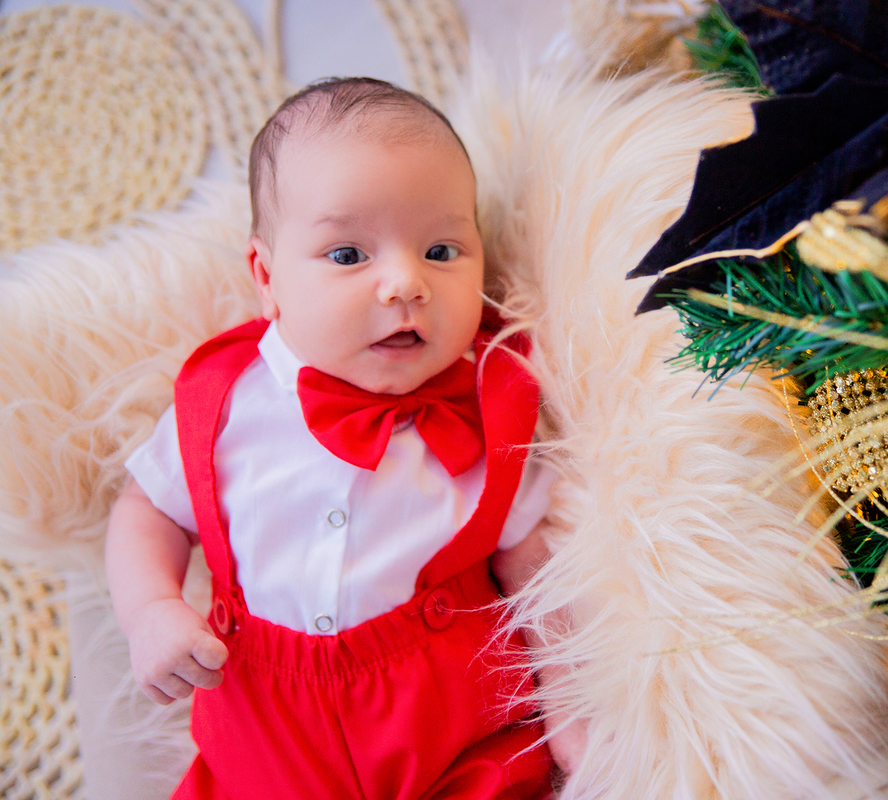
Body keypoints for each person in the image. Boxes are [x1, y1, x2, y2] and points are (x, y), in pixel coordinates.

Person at [105, 77, 557, 799]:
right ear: (267, 276)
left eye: (442, 250)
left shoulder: (493, 411)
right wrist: (152, 610)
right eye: (349, 256)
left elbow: (536, 572)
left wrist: (569, 701)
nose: (406, 283)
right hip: (258, 734)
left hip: (454, 734)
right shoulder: (226, 403)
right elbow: (146, 511)